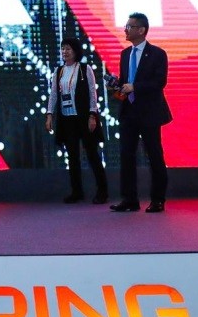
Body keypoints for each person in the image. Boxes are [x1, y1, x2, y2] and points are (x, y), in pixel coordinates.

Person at [111, 12, 172, 213]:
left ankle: (158, 200)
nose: (125, 30)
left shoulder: (157, 54)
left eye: (129, 26)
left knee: (154, 155)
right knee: (126, 155)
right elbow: (124, 83)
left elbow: (159, 82)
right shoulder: (125, 54)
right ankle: (129, 199)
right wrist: (117, 87)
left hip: (149, 113)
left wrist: (135, 87)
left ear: (141, 30)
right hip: (128, 112)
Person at [45, 38, 108, 204]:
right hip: (67, 119)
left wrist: (92, 115)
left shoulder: (84, 69)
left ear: (76, 51)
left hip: (84, 118)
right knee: (72, 157)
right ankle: (77, 191)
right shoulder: (58, 71)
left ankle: (102, 191)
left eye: (68, 49)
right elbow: (53, 95)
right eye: (63, 48)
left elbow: (92, 94)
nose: (64, 52)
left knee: (92, 154)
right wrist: (49, 114)